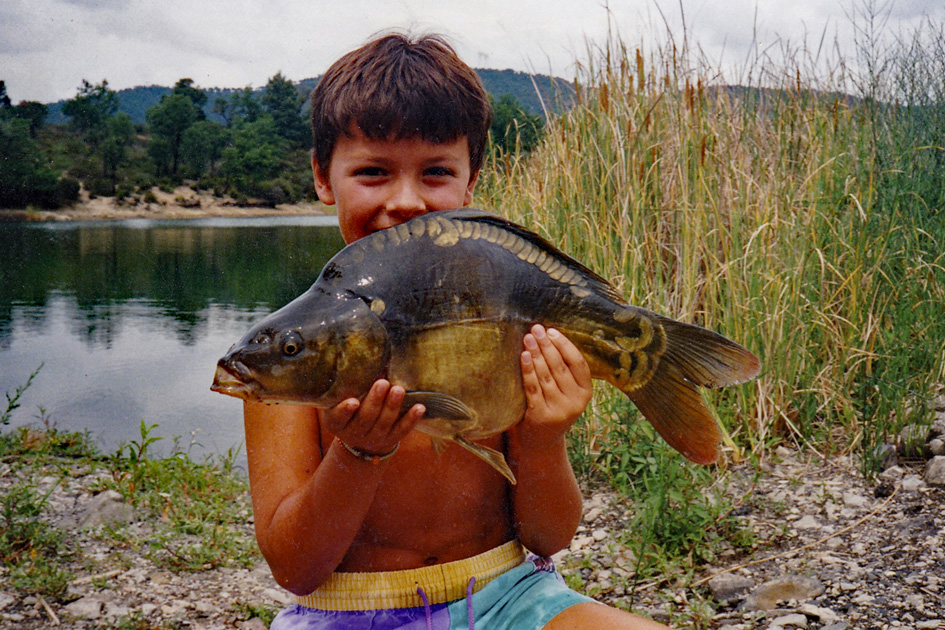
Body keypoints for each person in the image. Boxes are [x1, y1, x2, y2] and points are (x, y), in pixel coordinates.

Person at [243, 32, 670, 630]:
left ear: (472, 182)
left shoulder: (495, 318)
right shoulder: (296, 355)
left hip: (510, 596)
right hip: (347, 614)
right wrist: (359, 452)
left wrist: (546, 436)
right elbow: (295, 566)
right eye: (372, 172)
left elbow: (549, 536)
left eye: (437, 172)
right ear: (322, 176)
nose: (406, 201)